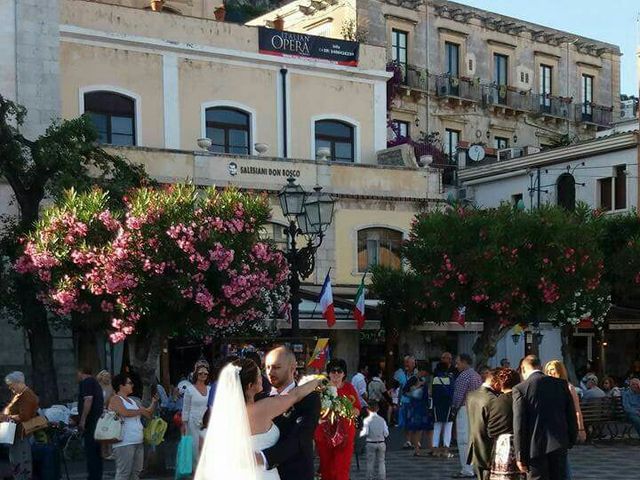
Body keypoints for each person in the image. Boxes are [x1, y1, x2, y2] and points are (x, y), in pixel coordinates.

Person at [195, 357, 323, 480]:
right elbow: (295, 395)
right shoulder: (263, 408)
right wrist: (316, 381)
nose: (263, 377)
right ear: (250, 385)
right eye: (258, 375)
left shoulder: (225, 415)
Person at [256, 346, 321, 480]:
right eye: (267, 367)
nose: (270, 372)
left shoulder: (310, 398)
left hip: (295, 472)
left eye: (276, 367)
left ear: (292, 368)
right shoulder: (259, 398)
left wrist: (262, 458)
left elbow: (299, 438)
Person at [513, 355, 577, 480]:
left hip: (534, 447)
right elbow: (570, 414)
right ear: (541, 367)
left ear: (523, 369)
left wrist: (520, 455)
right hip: (559, 443)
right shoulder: (561, 384)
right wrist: (570, 439)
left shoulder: (521, 389)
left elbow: (519, 424)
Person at [315, 358, 361, 480]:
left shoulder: (349, 388)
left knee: (341, 470)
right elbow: (314, 411)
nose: (336, 374)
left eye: (339, 371)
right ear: (328, 373)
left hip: (345, 435)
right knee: (327, 470)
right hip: (325, 434)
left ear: (344, 373)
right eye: (333, 371)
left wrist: (344, 411)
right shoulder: (321, 389)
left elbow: (357, 410)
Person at [108, 373, 158, 480]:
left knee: (136, 473)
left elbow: (148, 414)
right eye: (129, 383)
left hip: (137, 441)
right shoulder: (115, 399)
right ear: (121, 386)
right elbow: (124, 412)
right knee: (123, 473)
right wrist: (140, 410)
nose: (132, 385)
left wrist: (153, 403)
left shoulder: (132, 401)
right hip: (124, 442)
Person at [486, 369, 525, 480]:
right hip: (522, 444)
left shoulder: (498, 401)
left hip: (503, 446)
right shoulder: (523, 398)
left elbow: (492, 427)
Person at [1, 372, 39, 480]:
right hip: (16, 433)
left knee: (20, 460)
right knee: (17, 459)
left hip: (21, 433)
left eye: (11, 384)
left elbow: (25, 416)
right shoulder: (21, 394)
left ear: (18, 383)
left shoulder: (26, 395)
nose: (9, 387)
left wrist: (8, 417)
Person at [451, 354, 482, 479]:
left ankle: (466, 468)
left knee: (464, 440)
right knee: (473, 439)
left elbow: (458, 396)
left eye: (458, 362)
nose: (456, 365)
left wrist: (454, 409)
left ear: (464, 362)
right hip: (476, 408)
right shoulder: (477, 375)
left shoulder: (463, 376)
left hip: (465, 408)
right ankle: (474, 467)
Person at [467, 368, 500, 480]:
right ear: (495, 381)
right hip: (489, 446)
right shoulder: (493, 398)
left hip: (475, 444)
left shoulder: (471, 395)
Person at [543, 361, 586, 445]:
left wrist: (581, 428)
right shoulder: (545, 388)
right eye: (548, 371)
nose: (550, 373)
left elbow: (577, 410)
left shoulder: (568, 388)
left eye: (552, 370)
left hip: (562, 425)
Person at [182, 362, 211, 467]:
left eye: (205, 374)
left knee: (207, 446)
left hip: (207, 421)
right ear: (196, 374)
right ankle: (195, 471)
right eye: (200, 373)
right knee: (194, 446)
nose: (203, 375)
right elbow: (185, 408)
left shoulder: (210, 389)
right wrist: (184, 425)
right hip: (192, 422)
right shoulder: (189, 390)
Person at [78, 367, 105, 480]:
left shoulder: (87, 382)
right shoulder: (95, 383)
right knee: (96, 452)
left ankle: (94, 476)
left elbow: (88, 400)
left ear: (80, 372)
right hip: (97, 421)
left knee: (92, 452)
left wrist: (83, 420)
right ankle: (97, 475)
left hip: (91, 423)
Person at [402, 361, 432, 457]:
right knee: (418, 428)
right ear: (422, 371)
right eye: (425, 372)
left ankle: (429, 447)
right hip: (416, 405)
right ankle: (417, 449)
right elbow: (405, 391)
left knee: (427, 428)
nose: (426, 374)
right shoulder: (414, 379)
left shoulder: (422, 379)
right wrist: (416, 387)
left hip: (423, 405)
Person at [360, 400, 389, 480]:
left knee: (370, 461)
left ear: (368, 409)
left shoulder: (367, 420)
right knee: (381, 461)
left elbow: (366, 432)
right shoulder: (382, 420)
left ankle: (370, 477)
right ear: (378, 409)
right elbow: (386, 433)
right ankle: (382, 477)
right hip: (381, 442)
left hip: (370, 442)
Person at [431, 361, 455, 458]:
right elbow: (452, 392)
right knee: (448, 428)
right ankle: (446, 450)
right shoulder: (450, 379)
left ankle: (435, 450)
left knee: (437, 427)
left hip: (437, 406)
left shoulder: (435, 379)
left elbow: (433, 393)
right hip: (448, 406)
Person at [394, 355, 418, 449]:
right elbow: (399, 388)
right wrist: (398, 402)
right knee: (406, 423)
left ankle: (415, 440)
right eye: (406, 362)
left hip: (414, 402)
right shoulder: (400, 373)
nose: (407, 364)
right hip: (405, 401)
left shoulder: (417, 374)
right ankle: (408, 441)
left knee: (414, 422)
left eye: (410, 362)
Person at [96, 370, 114, 460]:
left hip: (108, 411)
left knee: (109, 432)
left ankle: (110, 452)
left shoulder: (110, 387)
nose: (107, 378)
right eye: (106, 376)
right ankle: (103, 453)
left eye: (109, 377)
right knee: (103, 433)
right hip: (99, 411)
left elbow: (113, 398)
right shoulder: (97, 386)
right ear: (101, 377)